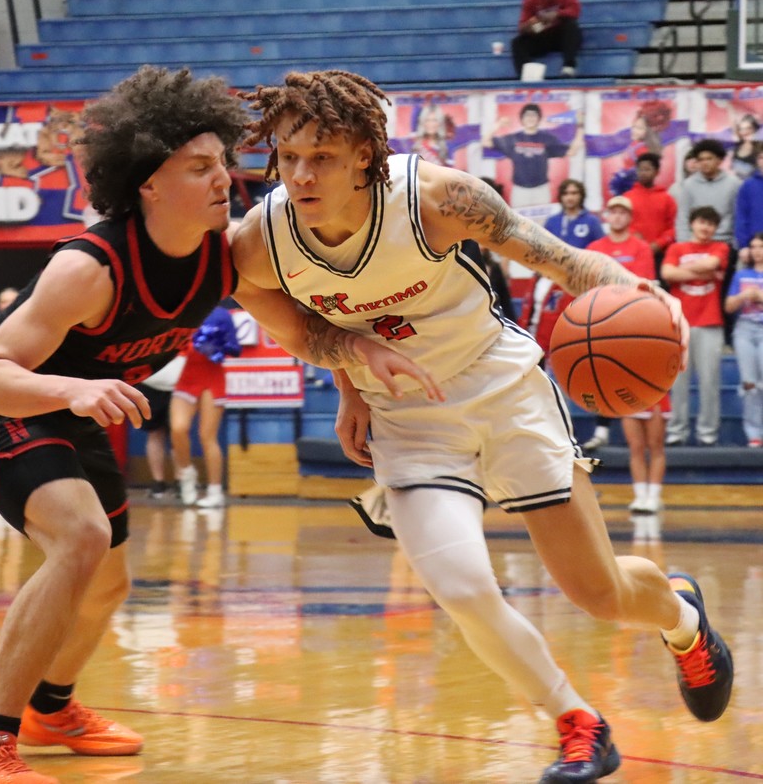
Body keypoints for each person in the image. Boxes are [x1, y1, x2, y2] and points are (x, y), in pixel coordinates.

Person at [234, 68, 732, 784]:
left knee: (597, 594)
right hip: (407, 416)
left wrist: (647, 298)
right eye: (288, 157)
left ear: (365, 157)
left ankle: (682, 619)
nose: (302, 176)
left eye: (323, 157)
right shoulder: (259, 243)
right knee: (462, 587)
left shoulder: (436, 198)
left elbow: (562, 263)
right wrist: (350, 373)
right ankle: (577, 722)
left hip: (501, 388)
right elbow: (305, 328)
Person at [0, 66, 432, 784]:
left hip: (77, 403)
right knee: (80, 537)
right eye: (200, 168)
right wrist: (75, 391)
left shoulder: (221, 259)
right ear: (149, 184)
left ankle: (52, 709)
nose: (223, 178)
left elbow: (305, 332)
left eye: (222, 162)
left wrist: (355, 370)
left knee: (107, 583)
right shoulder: (89, 268)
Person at [579, 196, 656, 453]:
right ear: (607, 216)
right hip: (602, 318)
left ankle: (636, 433)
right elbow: (587, 283)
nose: (618, 216)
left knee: (630, 374)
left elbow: (642, 283)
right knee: (602, 373)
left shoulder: (641, 247)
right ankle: (602, 429)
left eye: (623, 212)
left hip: (633, 320)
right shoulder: (595, 247)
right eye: (614, 212)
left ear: (630, 217)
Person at [661, 206, 729, 447]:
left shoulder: (720, 247)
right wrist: (702, 272)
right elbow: (667, 273)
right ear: (692, 223)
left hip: (710, 322)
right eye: (702, 222)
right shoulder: (676, 248)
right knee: (678, 382)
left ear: (715, 228)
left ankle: (707, 433)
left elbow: (713, 263)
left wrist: (682, 271)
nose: (705, 227)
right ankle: (677, 430)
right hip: (679, 323)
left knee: (709, 382)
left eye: (711, 224)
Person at [171, 304, 241, 508]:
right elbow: (170, 343)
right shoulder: (183, 310)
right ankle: (186, 473)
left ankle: (215, 491)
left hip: (213, 377)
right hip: (187, 376)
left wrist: (217, 346)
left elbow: (235, 348)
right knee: (178, 428)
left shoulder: (222, 314)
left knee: (207, 436)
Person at [481, 103, 584, 209]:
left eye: (534, 115)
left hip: (541, 190)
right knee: (518, 219)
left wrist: (580, 126)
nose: (530, 118)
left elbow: (572, 151)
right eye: (527, 115)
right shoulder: (513, 139)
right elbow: (485, 142)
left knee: (542, 220)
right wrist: (498, 125)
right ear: (522, 119)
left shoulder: (547, 138)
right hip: (519, 191)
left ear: (539, 119)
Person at [510, 0, 582, 78]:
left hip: (563, 35)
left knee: (571, 25)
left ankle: (568, 66)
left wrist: (557, 14)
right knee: (517, 43)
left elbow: (575, 11)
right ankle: (528, 75)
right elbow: (522, 26)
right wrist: (530, 27)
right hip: (543, 34)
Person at [724, 231, 763, 447]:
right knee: (749, 383)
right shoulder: (741, 275)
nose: (757, 251)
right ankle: (754, 433)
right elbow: (728, 307)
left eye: (761, 247)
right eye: (754, 247)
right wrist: (743, 296)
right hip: (744, 330)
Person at [136, 356, 185, 499]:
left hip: (180, 383)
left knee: (178, 434)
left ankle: (180, 481)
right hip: (149, 382)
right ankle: (158, 482)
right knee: (154, 433)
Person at [623, 152, 677, 277]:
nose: (643, 173)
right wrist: (633, 236)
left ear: (657, 172)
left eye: (647, 169)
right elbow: (622, 224)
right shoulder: (627, 197)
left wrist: (658, 244)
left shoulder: (667, 199)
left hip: (660, 254)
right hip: (633, 253)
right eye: (640, 169)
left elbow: (672, 228)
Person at [621, 395, 671, 514]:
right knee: (635, 448)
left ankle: (654, 496)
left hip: (654, 398)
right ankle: (640, 496)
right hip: (628, 400)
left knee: (656, 447)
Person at [543, 179, 604, 250]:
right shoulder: (552, 222)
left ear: (581, 195)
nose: (570, 198)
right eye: (565, 193)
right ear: (560, 196)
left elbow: (602, 247)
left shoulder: (592, 221)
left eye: (574, 193)